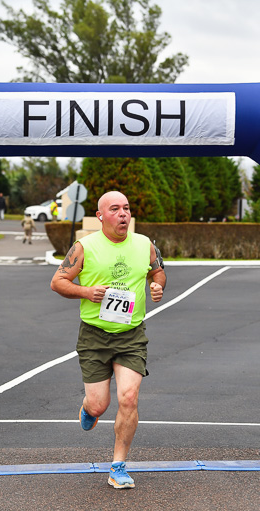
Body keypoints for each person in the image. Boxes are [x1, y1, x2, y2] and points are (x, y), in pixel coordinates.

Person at [50, 191, 166, 489]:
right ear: (101, 216)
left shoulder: (144, 244)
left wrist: (156, 286)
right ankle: (89, 408)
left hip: (131, 335)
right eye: (115, 209)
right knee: (100, 405)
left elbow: (159, 271)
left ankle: (118, 466)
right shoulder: (84, 247)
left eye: (126, 208)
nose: (123, 214)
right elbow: (58, 282)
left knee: (128, 397)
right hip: (94, 336)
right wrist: (86, 292)